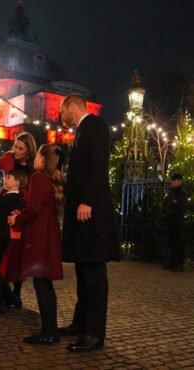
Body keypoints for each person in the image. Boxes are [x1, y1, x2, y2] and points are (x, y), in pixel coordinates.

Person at [60, 94, 120, 352]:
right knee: (84, 272)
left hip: (91, 214)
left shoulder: (94, 126)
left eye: (63, 113)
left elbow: (98, 166)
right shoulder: (83, 130)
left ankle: (94, 333)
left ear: (72, 107)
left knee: (94, 274)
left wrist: (87, 201)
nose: (62, 118)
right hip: (83, 214)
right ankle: (81, 323)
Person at [9, 144, 64, 345]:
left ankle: (48, 332)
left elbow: (33, 208)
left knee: (41, 283)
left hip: (40, 237)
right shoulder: (49, 179)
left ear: (42, 158)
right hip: (48, 235)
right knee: (45, 283)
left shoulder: (38, 177)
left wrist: (17, 219)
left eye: (38, 154)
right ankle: (51, 330)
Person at [0, 132, 37, 307]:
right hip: (4, 208)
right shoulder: (7, 159)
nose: (16, 150)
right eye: (15, 145)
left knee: (17, 254)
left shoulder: (33, 169)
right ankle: (5, 292)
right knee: (4, 254)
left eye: (21, 148)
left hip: (21, 212)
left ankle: (16, 292)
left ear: (28, 151)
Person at [0, 169, 28, 318]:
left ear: (16, 182)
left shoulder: (13, 198)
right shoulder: (8, 196)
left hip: (0, 236)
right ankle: (10, 298)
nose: (6, 179)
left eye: (9, 177)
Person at [162, 172, 188, 272]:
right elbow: (166, 204)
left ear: (179, 181)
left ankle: (179, 265)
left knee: (178, 244)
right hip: (169, 222)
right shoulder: (171, 192)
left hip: (177, 223)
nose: (172, 182)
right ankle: (172, 263)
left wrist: (168, 214)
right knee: (171, 243)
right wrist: (164, 213)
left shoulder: (182, 194)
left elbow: (180, 208)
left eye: (174, 180)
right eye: (172, 180)